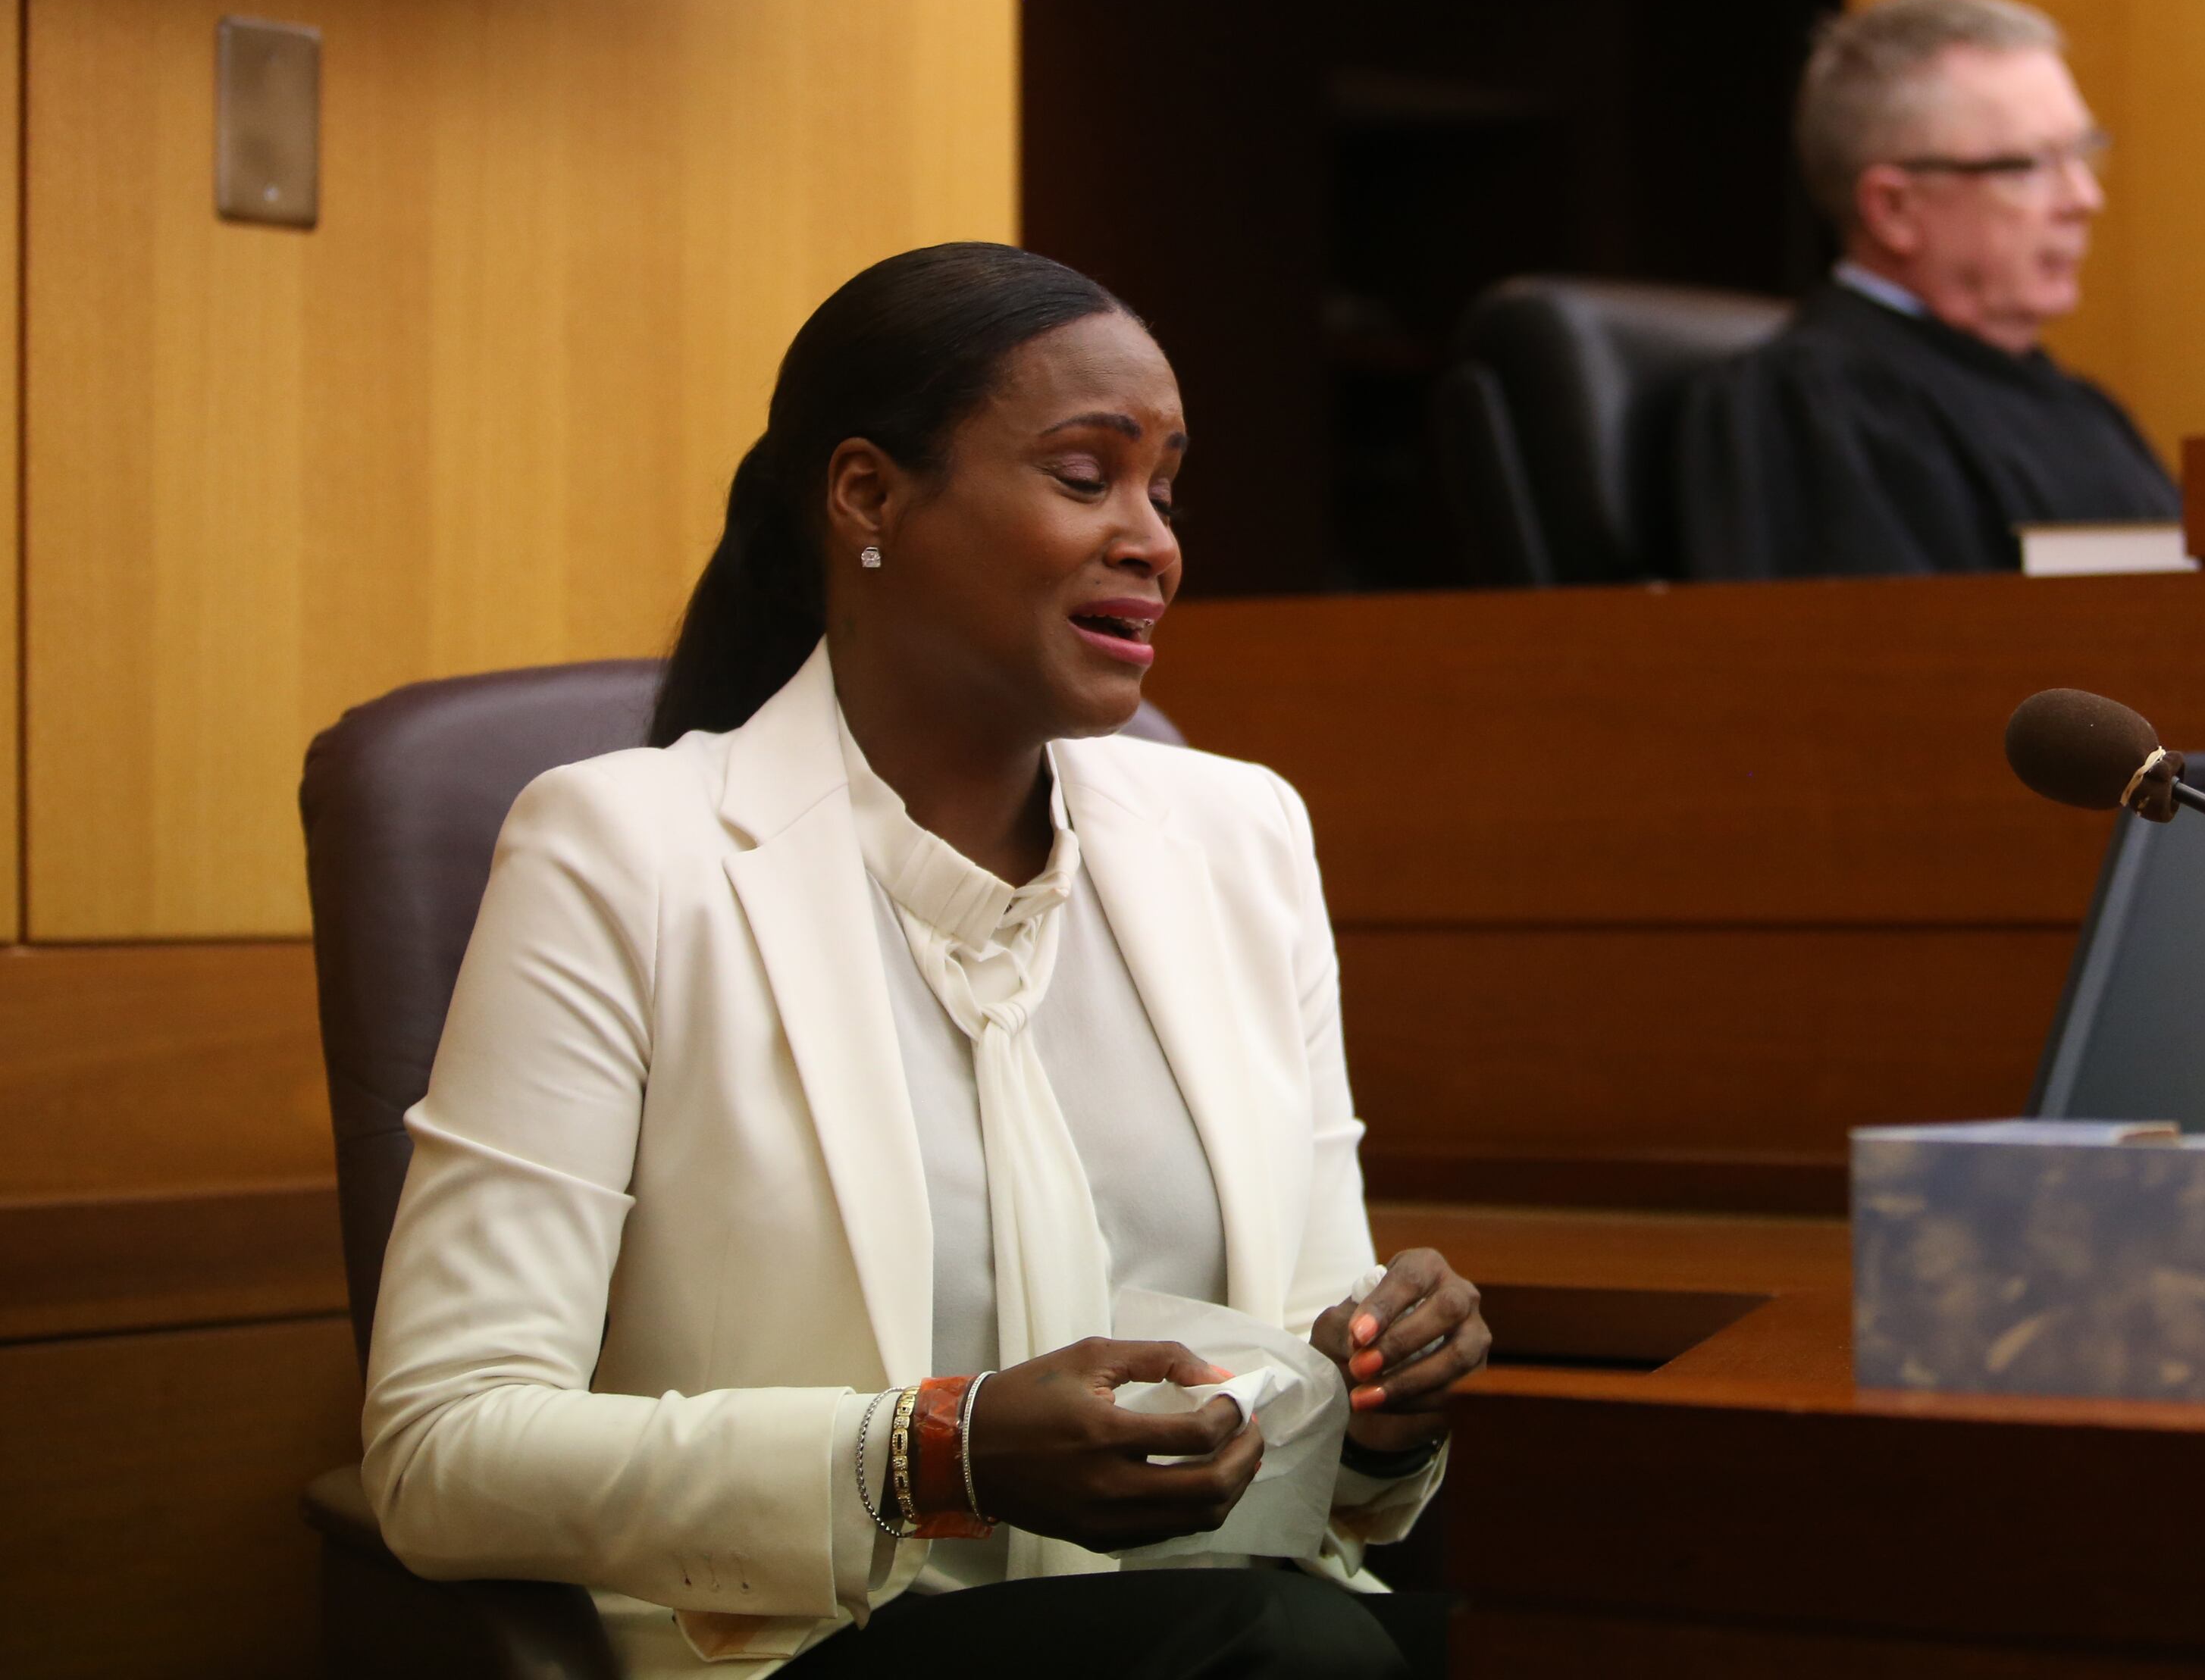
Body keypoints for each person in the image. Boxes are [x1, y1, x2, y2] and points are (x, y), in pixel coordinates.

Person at [360, 243, 1491, 1679]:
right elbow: (441, 1456)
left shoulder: (1241, 835)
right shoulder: (621, 852)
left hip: (1226, 1630)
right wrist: (925, 1454)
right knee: (1295, 1654)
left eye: (1166, 486)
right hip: (830, 1652)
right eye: (1088, 476)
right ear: (867, 498)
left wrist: (1378, 1410)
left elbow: (1315, 1456)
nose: (1154, 538)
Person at [1675, 0, 2179, 578]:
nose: (2085, 200)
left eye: (2083, 154)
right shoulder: (1811, 404)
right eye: (2028, 167)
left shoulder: (2087, 411)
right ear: (1894, 209)